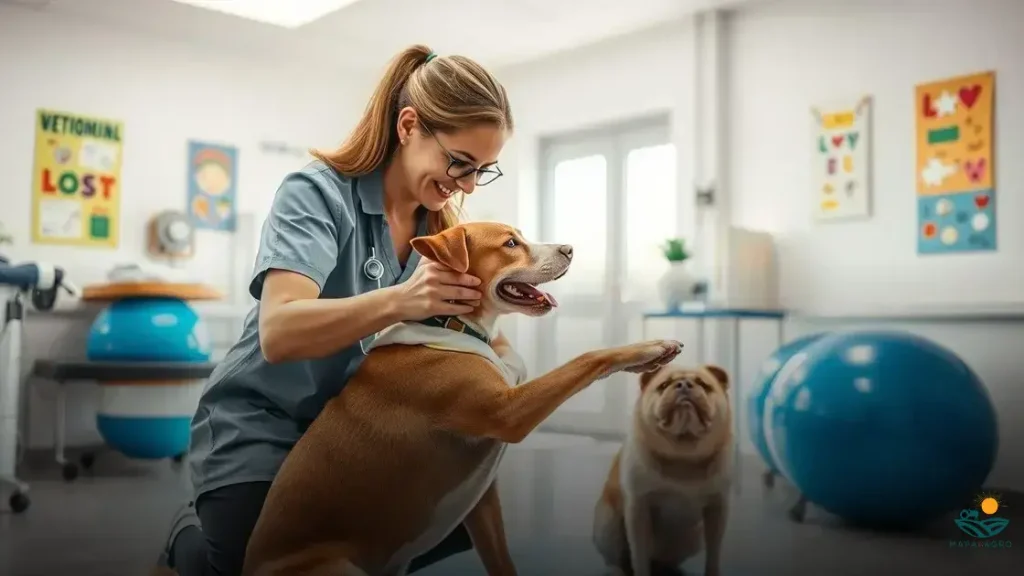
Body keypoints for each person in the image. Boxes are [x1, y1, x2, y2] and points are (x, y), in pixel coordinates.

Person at [155, 44, 514, 576]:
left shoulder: (440, 230)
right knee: (258, 563)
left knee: (450, 518)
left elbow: (472, 334)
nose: (464, 185)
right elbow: (279, 331)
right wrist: (401, 298)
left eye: (481, 171)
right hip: (261, 425)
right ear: (408, 126)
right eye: (458, 162)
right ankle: (188, 544)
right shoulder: (316, 194)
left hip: (351, 436)